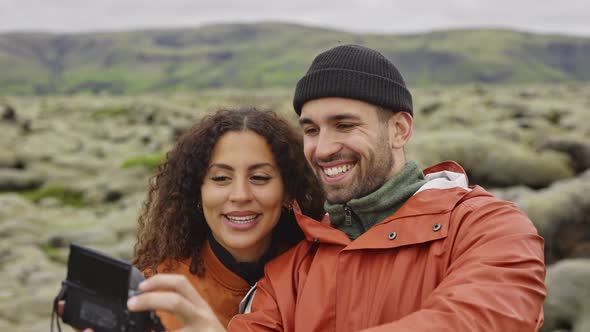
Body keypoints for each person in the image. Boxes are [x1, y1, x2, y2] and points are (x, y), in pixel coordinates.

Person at [129, 44, 547, 331]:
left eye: (345, 125)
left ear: (399, 129)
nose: (325, 148)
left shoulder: (487, 227)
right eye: (311, 129)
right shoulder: (292, 268)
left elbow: (485, 319)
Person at [60, 107, 324, 331]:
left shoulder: (321, 272)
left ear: (289, 191)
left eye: (260, 178)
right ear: (197, 192)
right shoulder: (158, 297)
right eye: (221, 178)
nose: (240, 195)